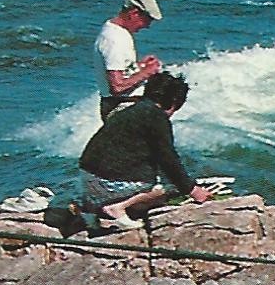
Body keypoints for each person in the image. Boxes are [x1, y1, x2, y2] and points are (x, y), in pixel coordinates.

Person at [78, 70, 212, 230]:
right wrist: (192, 189)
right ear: (174, 102)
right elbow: (168, 160)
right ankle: (118, 208)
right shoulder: (156, 118)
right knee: (168, 188)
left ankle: (92, 210)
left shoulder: (129, 110)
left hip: (87, 179)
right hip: (108, 184)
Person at [96, 0, 163, 119]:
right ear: (134, 13)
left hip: (122, 105)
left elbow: (118, 69)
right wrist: (147, 72)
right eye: (147, 19)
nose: (148, 26)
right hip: (120, 108)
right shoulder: (114, 39)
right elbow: (117, 86)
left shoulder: (116, 31)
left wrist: (139, 66)